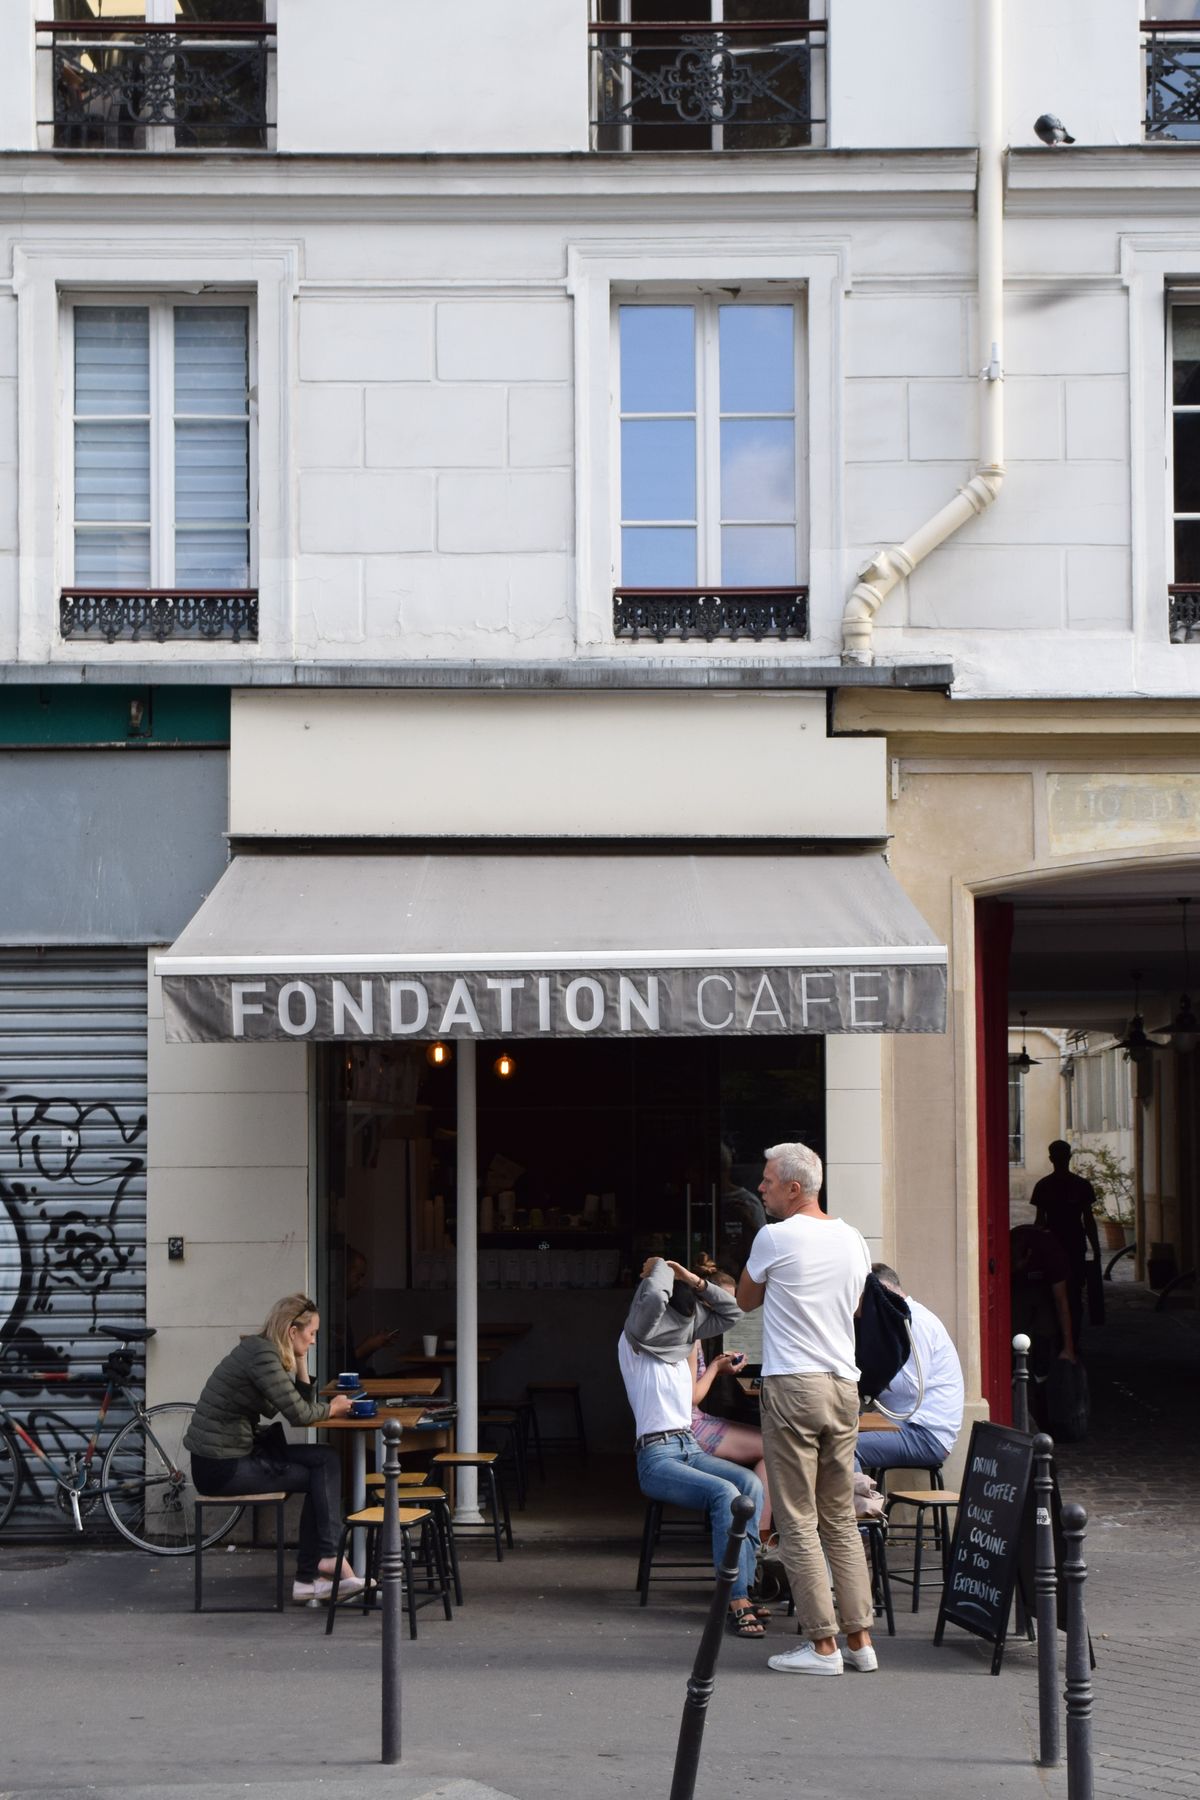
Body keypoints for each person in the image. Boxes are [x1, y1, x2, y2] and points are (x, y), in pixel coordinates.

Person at [736, 1141, 877, 1677]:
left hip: (794, 1384)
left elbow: (746, 1301)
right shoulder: (852, 1238)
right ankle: (860, 1639)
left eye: (769, 1180)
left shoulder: (774, 1236)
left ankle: (822, 1646)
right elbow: (858, 1305)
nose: (761, 1186)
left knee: (796, 1519)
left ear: (795, 1188)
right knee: (839, 1517)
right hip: (844, 1384)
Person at [618, 1255, 765, 1637]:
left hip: (689, 1446)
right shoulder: (636, 1340)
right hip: (657, 1456)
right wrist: (661, 1269)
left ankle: (744, 1588)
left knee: (750, 1485)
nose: (677, 1323)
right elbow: (651, 1298)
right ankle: (732, 1599)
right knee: (725, 1494)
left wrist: (695, 1281)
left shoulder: (685, 1344)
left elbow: (733, 1311)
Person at [184, 1293, 362, 1604]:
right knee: (318, 1476)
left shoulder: (265, 1353)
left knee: (326, 1458)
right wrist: (332, 1408)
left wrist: (302, 1360)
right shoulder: (263, 1357)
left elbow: (300, 1405)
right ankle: (316, 1570)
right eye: (311, 1334)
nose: (314, 1341)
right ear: (292, 1331)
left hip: (235, 1455)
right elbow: (301, 1415)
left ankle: (319, 1569)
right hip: (220, 1467)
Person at [854, 1263, 964, 1478]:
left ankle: (857, 1510)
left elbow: (912, 1388)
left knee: (843, 1449)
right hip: (906, 1426)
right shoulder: (903, 1320)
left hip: (926, 1434)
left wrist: (861, 1377)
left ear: (881, 1293)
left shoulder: (916, 1322)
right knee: (833, 1439)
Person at [688, 1262, 773, 1534]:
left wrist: (719, 1368)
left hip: (696, 1420)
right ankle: (755, 1536)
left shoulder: (695, 1332)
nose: (728, 1310)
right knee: (774, 1450)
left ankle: (754, 1530)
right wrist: (715, 1368)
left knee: (773, 1444)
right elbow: (691, 1396)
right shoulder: (689, 1336)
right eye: (721, 1302)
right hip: (690, 1427)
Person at [1029, 1141, 1101, 1343]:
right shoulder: (1081, 1185)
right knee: (1074, 1295)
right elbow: (1088, 1220)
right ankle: (1071, 1340)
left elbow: (1039, 1221)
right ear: (1069, 1157)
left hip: (1053, 1246)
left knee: (1052, 1294)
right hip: (1073, 1245)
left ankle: (1059, 1339)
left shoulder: (1043, 1186)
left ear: (1051, 1159)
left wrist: (1034, 1249)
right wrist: (1096, 1250)